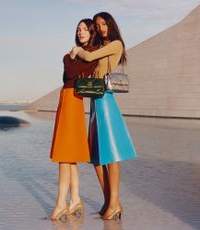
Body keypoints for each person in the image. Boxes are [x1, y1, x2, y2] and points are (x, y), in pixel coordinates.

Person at [72, 12, 137, 220]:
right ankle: (109, 200)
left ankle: (114, 202)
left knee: (111, 155)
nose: (100, 28)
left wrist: (77, 51)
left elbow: (89, 57)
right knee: (96, 157)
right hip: (94, 101)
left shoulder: (116, 44)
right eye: (98, 25)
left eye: (103, 24)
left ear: (110, 25)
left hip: (106, 100)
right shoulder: (101, 46)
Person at [49, 18, 100, 221]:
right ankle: (75, 199)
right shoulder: (75, 55)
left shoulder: (91, 55)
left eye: (85, 29)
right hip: (67, 99)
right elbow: (68, 75)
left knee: (64, 153)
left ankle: (61, 203)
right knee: (68, 155)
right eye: (78, 29)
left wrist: (72, 55)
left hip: (73, 100)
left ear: (92, 32)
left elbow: (70, 72)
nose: (80, 32)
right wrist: (70, 57)